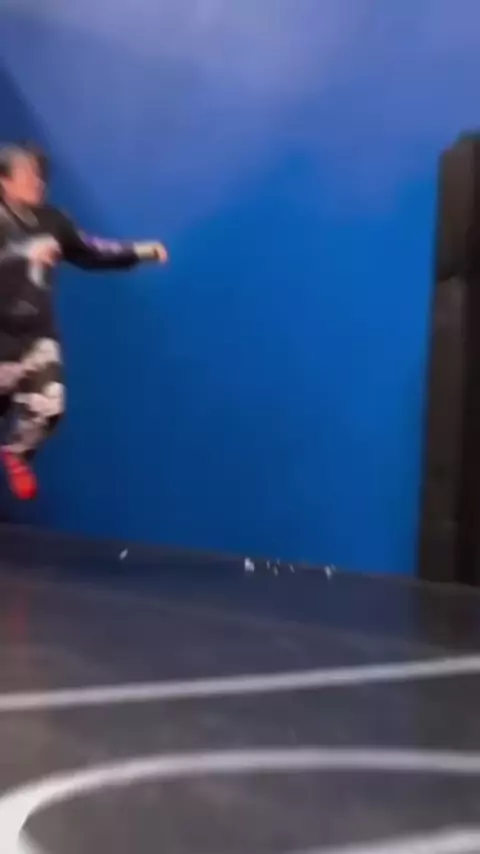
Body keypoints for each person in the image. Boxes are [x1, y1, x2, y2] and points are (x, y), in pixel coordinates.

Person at [0, 143, 168, 500]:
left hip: (36, 338)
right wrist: (23, 254)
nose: (37, 182)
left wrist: (140, 251)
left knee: (50, 407)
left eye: (38, 175)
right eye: (26, 175)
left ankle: (16, 454)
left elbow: (91, 251)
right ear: (5, 181)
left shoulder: (53, 222)